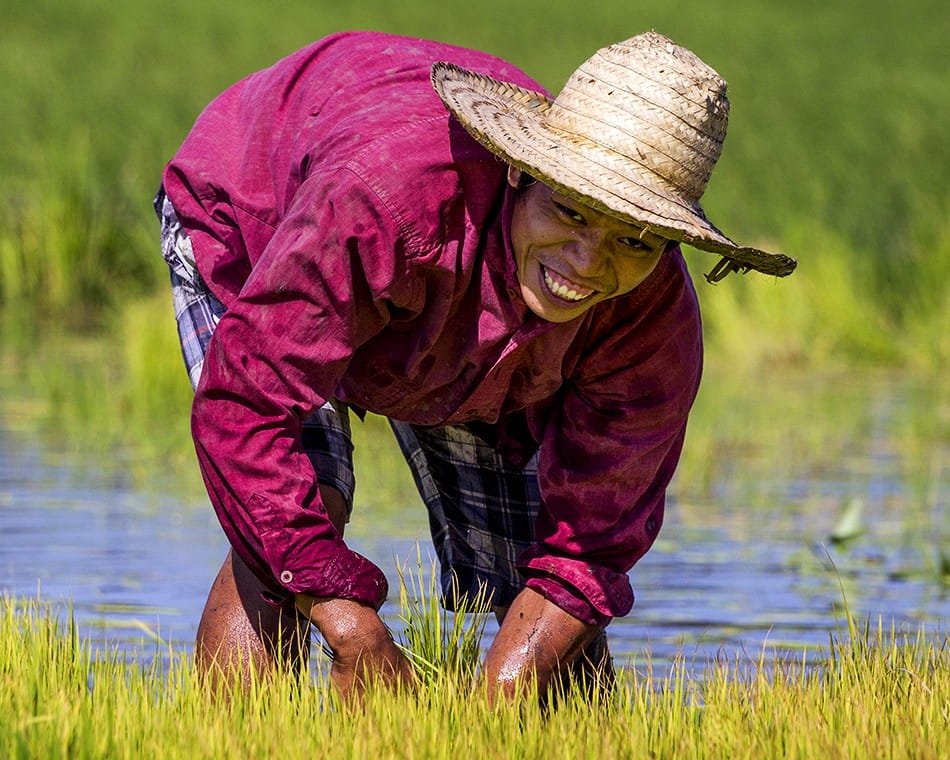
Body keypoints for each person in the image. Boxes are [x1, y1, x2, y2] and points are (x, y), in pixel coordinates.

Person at [155, 30, 796, 703]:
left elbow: (589, 544)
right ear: (522, 171)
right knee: (295, 506)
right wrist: (349, 624)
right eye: (571, 211)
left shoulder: (650, 323)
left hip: (438, 310)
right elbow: (246, 409)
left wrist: (497, 708)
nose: (585, 262)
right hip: (259, 218)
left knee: (535, 572)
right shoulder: (385, 199)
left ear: (669, 244)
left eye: (633, 239)